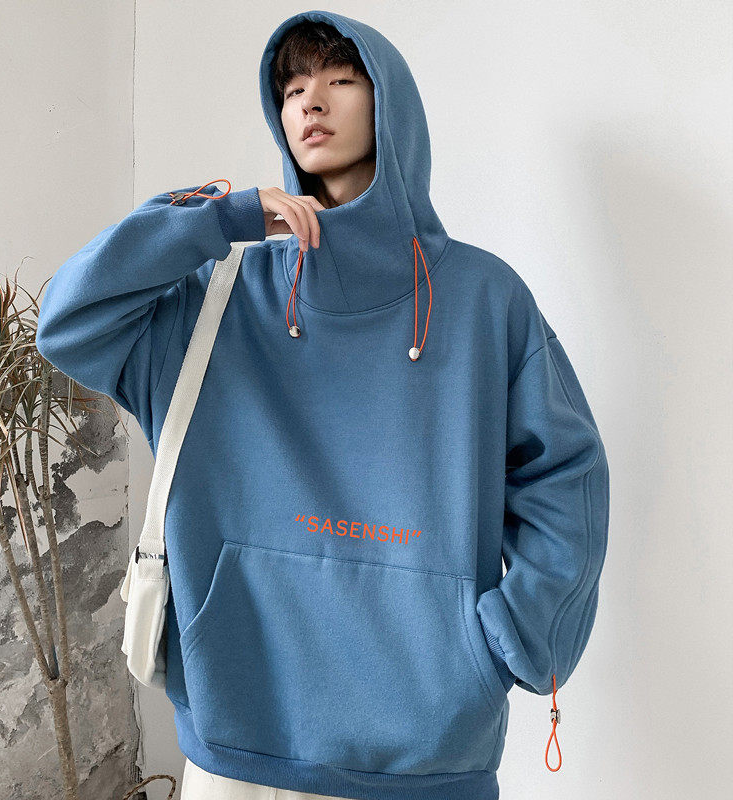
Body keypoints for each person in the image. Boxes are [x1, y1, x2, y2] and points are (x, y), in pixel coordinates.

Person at [36, 10, 610, 800]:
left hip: (424, 750)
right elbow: (68, 321)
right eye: (292, 88)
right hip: (237, 735)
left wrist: (513, 641)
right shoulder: (217, 299)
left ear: (391, 106)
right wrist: (221, 220)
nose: (311, 101)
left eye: (341, 79)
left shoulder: (485, 299)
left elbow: (566, 477)